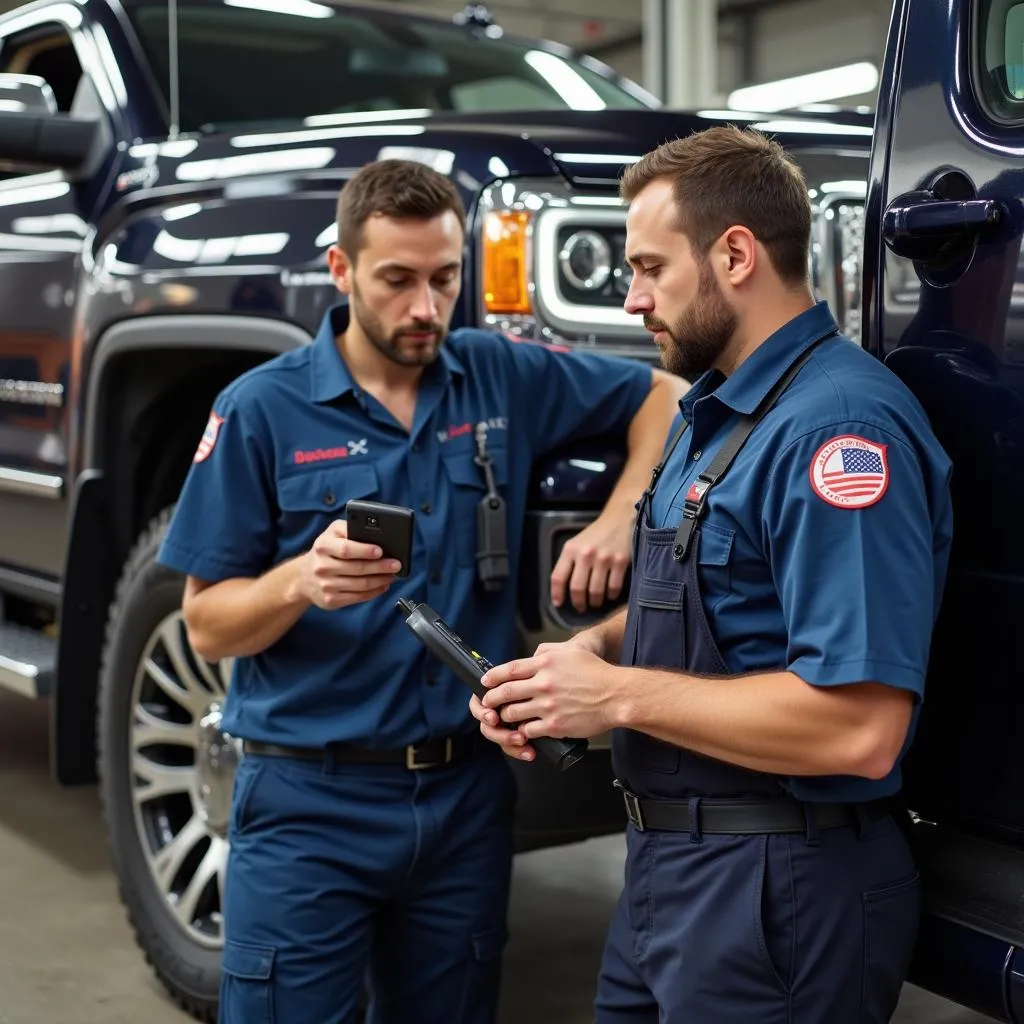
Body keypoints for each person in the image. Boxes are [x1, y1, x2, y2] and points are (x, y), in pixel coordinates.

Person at [156, 157, 684, 1024]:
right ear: (342, 270)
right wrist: (300, 580)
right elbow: (207, 625)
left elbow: (662, 395)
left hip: (462, 802)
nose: (425, 309)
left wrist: (625, 514)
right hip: (307, 808)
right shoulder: (261, 408)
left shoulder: (494, 376)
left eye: (445, 279)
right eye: (397, 281)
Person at [471, 125, 954, 1023]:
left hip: (783, 897)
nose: (630, 300)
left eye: (651, 268)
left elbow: (858, 730)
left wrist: (614, 696)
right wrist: (574, 665)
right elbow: (712, 605)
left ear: (734, 255)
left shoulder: (837, 435)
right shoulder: (716, 412)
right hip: (671, 876)